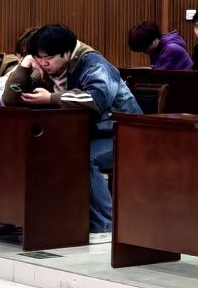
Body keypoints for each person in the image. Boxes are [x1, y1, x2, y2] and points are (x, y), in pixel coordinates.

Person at [16, 24, 142, 241]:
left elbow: (96, 99)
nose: (44, 63)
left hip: (124, 134)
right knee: (40, 152)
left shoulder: (93, 64)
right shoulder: (50, 68)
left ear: (67, 53)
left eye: (48, 58)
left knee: (82, 158)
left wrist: (51, 98)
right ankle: (54, 220)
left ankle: (105, 225)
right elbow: (11, 97)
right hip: (88, 134)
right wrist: (24, 68)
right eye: (39, 58)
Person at [128, 21, 193, 71]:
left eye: (145, 48)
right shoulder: (158, 48)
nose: (145, 52)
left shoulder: (171, 48)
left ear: (153, 40)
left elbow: (158, 74)